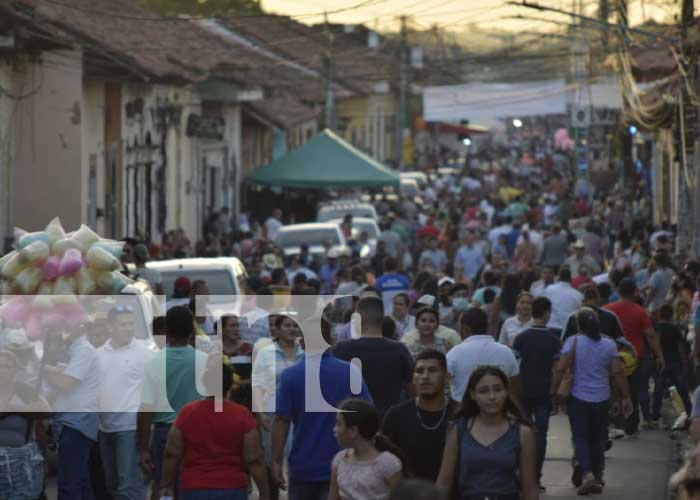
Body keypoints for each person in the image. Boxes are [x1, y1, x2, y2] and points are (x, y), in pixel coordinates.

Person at [271, 316, 371, 500]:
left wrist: (276, 461)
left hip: (303, 467)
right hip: (345, 465)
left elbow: (281, 421)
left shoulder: (290, 377)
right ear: (331, 341)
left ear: (302, 342)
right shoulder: (350, 372)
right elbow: (368, 416)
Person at [160, 360, 270, 500]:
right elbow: (254, 459)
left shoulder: (187, 413)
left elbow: (171, 454)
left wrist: (166, 485)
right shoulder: (242, 415)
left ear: (205, 384)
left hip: (194, 487)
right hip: (232, 488)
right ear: (230, 385)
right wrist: (264, 492)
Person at [551, 307, 632, 495]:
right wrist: (625, 396)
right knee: (598, 437)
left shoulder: (574, 341)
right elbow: (618, 372)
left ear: (578, 324)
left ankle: (587, 473)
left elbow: (561, 368)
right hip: (602, 399)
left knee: (580, 437)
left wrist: (553, 390)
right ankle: (597, 474)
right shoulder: (609, 344)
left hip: (578, 399)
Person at [137, 306, 209, 500]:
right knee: (196, 486)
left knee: (163, 486)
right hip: (199, 433)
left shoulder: (153, 363)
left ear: (167, 331)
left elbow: (145, 410)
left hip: (164, 434)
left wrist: (143, 448)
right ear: (192, 331)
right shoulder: (206, 362)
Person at [436, 366, 539, 500]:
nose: (492, 397)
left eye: (497, 390)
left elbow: (530, 488)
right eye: (483, 391)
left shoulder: (522, 432)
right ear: (473, 394)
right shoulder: (458, 429)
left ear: (506, 392)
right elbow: (444, 482)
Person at [97, 306, 154, 500]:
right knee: (112, 483)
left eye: (131, 324)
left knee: (128, 485)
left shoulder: (145, 353)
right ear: (110, 326)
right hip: (104, 428)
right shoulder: (98, 354)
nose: (129, 328)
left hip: (130, 428)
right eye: (123, 324)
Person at [44, 320, 100, 500]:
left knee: (69, 483)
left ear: (80, 326)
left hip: (76, 423)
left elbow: (66, 383)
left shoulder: (83, 350)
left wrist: (44, 370)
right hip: (71, 423)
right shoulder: (71, 351)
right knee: (80, 481)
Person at [382, 349, 458, 482]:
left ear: (447, 377)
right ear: (413, 378)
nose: (425, 376)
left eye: (433, 370)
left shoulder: (460, 413)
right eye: (419, 371)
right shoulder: (396, 415)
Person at [333, 297, 413, 418]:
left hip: (352, 424)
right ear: (382, 319)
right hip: (389, 422)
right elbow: (413, 391)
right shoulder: (400, 350)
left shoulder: (341, 349)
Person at [252, 315, 304, 499]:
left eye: (295, 326)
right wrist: (258, 412)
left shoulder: (305, 352)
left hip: (300, 413)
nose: (291, 329)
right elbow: (257, 383)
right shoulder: (266, 353)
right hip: (272, 412)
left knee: (297, 455)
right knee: (271, 459)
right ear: (278, 329)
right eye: (287, 325)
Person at [604, 278, 665, 434]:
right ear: (635, 292)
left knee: (614, 387)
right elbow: (650, 335)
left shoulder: (607, 309)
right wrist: (659, 356)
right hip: (635, 356)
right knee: (633, 389)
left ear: (618, 291)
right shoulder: (640, 311)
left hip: (612, 355)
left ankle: (616, 421)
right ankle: (632, 423)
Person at [512, 296, 561, 490]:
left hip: (523, 392)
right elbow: (557, 369)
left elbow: (513, 367)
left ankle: (519, 476)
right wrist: (553, 390)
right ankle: (536, 478)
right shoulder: (553, 340)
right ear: (547, 313)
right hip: (543, 394)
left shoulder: (521, 338)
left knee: (519, 434)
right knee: (540, 436)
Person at [0, 350, 50, 500]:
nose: (2, 370)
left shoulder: (25, 391)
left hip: (21, 464)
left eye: (7, 366)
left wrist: (12, 409)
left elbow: (46, 410)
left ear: (15, 370)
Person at [329, 399, 403, 499]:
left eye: (339, 424)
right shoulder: (339, 460)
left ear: (353, 431)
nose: (335, 429)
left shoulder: (387, 464)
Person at [447, 308, 520, 403]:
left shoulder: (454, 353)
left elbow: (443, 382)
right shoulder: (507, 352)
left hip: (464, 411)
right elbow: (515, 389)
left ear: (465, 329)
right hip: (499, 411)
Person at [651, 303, 693, 425]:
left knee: (658, 389)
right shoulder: (675, 328)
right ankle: (690, 413)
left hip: (661, 363)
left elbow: (656, 343)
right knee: (682, 390)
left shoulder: (657, 327)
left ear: (660, 314)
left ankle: (654, 416)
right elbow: (681, 348)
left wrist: (656, 357)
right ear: (671, 315)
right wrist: (684, 364)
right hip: (675, 363)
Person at [544, 267, 583, 336]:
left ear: (558, 278)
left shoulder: (549, 289)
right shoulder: (578, 295)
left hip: (550, 329)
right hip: (567, 332)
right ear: (571, 279)